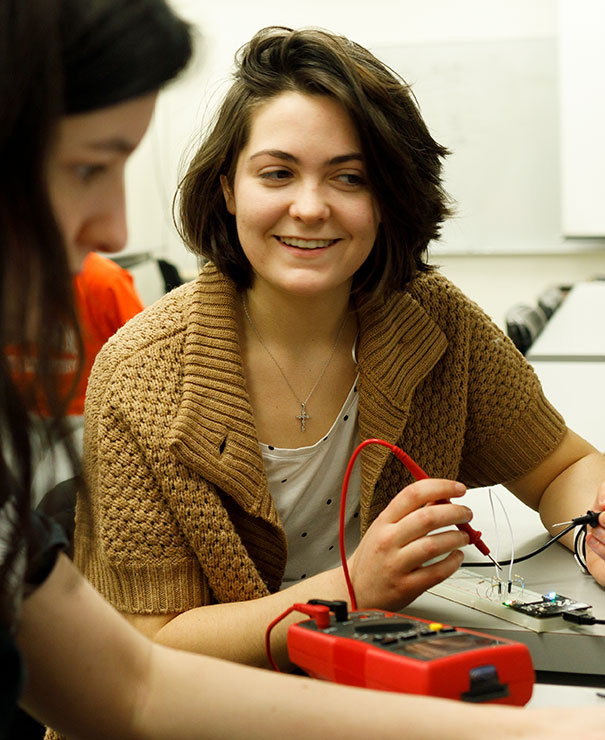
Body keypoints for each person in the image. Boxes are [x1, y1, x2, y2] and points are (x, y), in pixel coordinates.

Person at [3, 7, 605, 738]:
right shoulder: (144, 373)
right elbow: (143, 655)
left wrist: (587, 528)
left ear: (386, 197)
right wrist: (348, 590)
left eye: (348, 178)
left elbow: (560, 466)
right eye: (277, 174)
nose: (310, 207)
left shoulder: (432, 322)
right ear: (227, 188)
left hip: (370, 694)